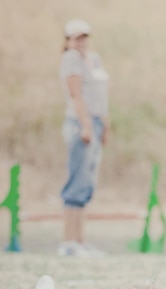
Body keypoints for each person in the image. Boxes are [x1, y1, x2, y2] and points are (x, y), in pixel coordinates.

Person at [57, 19, 110, 257]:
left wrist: (104, 125)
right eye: (77, 38)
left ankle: (80, 241)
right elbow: (76, 95)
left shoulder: (94, 59)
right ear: (68, 40)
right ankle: (69, 242)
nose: (81, 42)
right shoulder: (71, 59)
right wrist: (87, 126)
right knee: (77, 182)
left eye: (84, 37)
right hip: (81, 123)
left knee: (87, 183)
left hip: (96, 122)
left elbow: (100, 95)